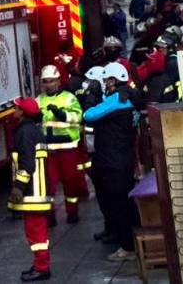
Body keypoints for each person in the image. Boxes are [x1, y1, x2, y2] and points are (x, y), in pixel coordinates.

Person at [84, 63, 139, 262]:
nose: (105, 84)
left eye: (107, 80)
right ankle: (129, 241)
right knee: (126, 203)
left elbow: (88, 115)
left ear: (113, 81)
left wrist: (91, 98)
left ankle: (127, 247)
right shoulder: (130, 97)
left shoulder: (117, 100)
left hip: (113, 161)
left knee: (119, 205)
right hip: (124, 159)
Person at [8, 96, 53, 281]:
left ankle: (42, 268)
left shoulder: (25, 133)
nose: (13, 111)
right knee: (36, 231)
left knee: (36, 232)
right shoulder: (32, 130)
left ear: (23, 113)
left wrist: (18, 187)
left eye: (16, 109)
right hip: (38, 190)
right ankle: (39, 265)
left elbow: (27, 164)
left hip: (33, 192)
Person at [36, 64, 86, 225]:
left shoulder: (69, 98)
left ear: (58, 81)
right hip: (48, 150)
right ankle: (50, 216)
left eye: (51, 81)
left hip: (67, 148)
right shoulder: (38, 101)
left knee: (70, 183)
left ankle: (72, 212)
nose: (48, 84)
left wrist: (62, 114)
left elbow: (78, 117)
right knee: (49, 186)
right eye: (46, 81)